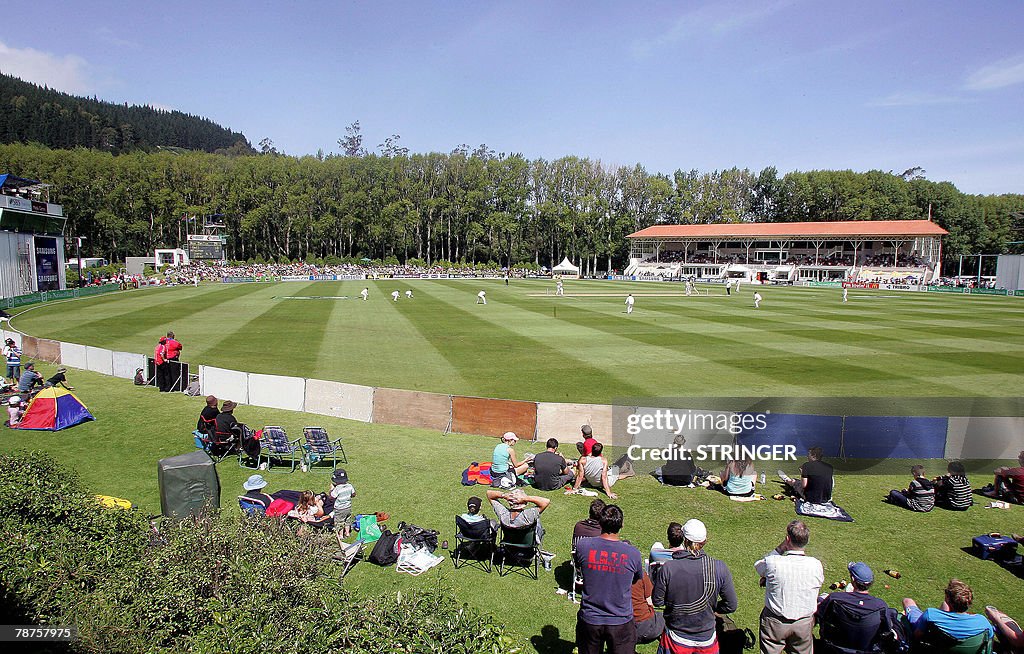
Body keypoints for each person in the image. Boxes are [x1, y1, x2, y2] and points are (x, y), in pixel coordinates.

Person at [653, 519, 738, 654]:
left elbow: (657, 601)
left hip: (676, 639)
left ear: (684, 540)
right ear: (704, 541)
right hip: (706, 641)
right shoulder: (719, 567)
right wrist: (711, 607)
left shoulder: (669, 568)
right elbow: (731, 605)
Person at [573, 504, 643, 654]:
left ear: (600, 522)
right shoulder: (633, 553)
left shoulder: (583, 546)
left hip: (590, 618)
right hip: (620, 620)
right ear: (621, 525)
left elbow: (579, 567)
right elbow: (636, 579)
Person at [754, 520, 824, 654]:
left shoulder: (773, 562)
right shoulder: (816, 565)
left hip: (775, 622)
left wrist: (780, 548)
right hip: (803, 623)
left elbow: (759, 566)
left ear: (787, 539)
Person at [815, 562, 889, 653]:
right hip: (865, 649)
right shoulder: (880, 606)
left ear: (853, 579)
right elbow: (886, 629)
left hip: (833, 648)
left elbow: (819, 614)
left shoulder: (835, 598)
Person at [902, 579, 995, 645]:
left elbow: (917, 635)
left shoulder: (931, 615)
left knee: (907, 601)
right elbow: (989, 642)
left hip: (935, 646)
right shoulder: (983, 622)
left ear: (947, 598)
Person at [633, 568, 665, 645]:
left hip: (620, 626)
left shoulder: (612, 576)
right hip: (644, 625)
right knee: (668, 617)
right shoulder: (641, 574)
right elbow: (650, 601)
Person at [329, 468, 356, 541]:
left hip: (339, 509)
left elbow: (331, 497)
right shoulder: (349, 486)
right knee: (347, 520)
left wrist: (331, 489)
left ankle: (341, 535)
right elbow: (353, 494)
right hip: (348, 507)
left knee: (339, 522)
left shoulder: (337, 488)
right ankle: (347, 533)